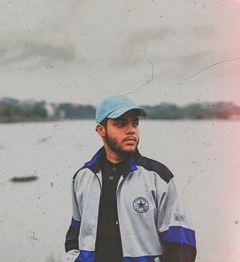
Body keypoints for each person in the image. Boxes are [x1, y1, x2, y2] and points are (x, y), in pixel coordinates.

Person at [65, 95, 196, 262]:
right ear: (101, 130)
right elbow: (74, 234)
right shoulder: (82, 177)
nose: (131, 130)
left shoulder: (159, 177)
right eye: (121, 124)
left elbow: (182, 243)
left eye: (135, 123)